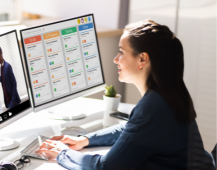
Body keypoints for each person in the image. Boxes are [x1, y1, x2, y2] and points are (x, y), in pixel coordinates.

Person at [36, 20, 215, 170]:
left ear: (142, 59)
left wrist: (62, 153)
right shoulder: (168, 92)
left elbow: (106, 167)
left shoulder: (155, 105)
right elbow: (131, 129)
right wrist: (86, 140)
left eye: (121, 52)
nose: (115, 59)